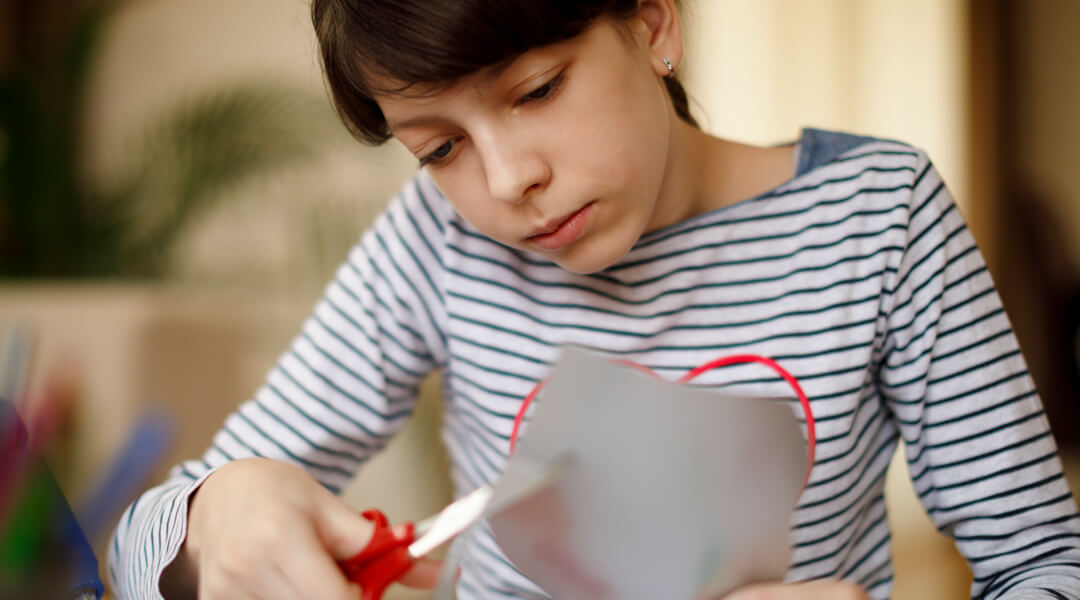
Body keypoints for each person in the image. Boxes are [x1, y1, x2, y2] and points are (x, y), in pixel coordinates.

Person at [108, 1, 1080, 598]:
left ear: (653, 21)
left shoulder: (878, 216)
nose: (506, 179)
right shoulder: (438, 238)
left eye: (535, 90)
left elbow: (1046, 565)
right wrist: (213, 518)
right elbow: (137, 548)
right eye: (439, 147)